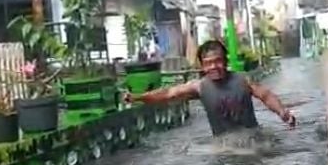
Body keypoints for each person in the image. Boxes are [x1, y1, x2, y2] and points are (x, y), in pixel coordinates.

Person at [125, 40, 296, 136]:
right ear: (202, 66)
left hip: (254, 139)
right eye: (208, 63)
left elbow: (265, 95)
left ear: (226, 61)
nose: (214, 67)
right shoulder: (200, 86)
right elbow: (169, 93)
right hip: (224, 146)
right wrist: (138, 97)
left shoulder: (242, 80)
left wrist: (282, 112)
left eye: (218, 61)